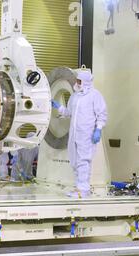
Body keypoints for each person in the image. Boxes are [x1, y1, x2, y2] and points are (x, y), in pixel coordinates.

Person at [51, 70, 108, 198]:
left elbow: (102, 114)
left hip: (87, 134)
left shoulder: (95, 95)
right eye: (77, 80)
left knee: (84, 161)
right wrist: (59, 107)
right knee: (75, 161)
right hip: (74, 134)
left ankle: (83, 190)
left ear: (86, 82)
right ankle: (79, 188)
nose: (77, 83)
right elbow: (68, 112)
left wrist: (98, 129)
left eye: (79, 81)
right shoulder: (75, 96)